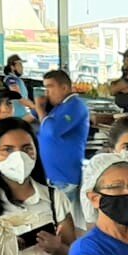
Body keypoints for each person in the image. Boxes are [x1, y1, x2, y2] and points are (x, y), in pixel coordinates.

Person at [0, 117, 75, 255]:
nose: (19, 157)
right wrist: (2, 248)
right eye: (7, 150)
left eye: (27, 148)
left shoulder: (55, 198)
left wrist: (57, 248)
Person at [36, 69, 91, 221]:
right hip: (51, 175)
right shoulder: (57, 107)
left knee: (62, 220)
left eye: (50, 87)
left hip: (65, 177)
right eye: (45, 88)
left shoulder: (75, 106)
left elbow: (52, 131)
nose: (47, 92)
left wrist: (40, 110)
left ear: (64, 88)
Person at [2, 55, 39, 120]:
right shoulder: (10, 79)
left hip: (23, 114)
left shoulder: (17, 80)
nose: (22, 67)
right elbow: (18, 97)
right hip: (17, 117)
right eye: (19, 65)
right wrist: (35, 107)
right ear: (12, 67)